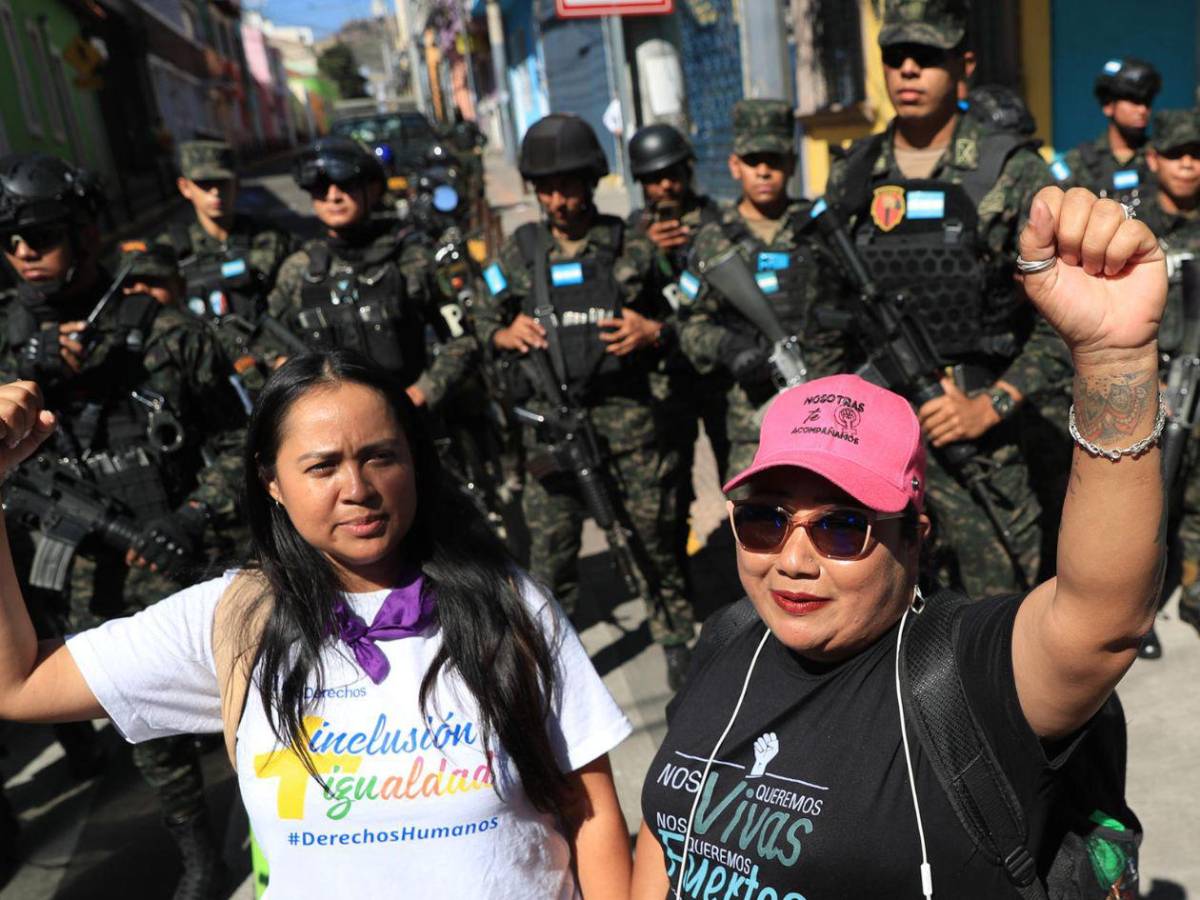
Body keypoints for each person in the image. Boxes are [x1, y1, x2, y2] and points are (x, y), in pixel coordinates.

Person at [631, 186, 1163, 900]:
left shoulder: (960, 679)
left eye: (842, 527)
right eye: (765, 519)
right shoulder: (727, 638)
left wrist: (1112, 361)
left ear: (914, 538)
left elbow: (1103, 617)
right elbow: (664, 839)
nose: (792, 559)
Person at [0, 350, 633, 898]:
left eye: (380, 456)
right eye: (322, 466)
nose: (357, 487)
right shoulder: (233, 618)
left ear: (415, 461)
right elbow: (18, 684)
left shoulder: (511, 605)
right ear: (271, 481)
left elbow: (593, 811)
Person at [0, 154, 247, 898]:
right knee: (144, 729)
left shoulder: (168, 334)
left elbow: (249, 443)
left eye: (39, 235)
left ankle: (278, 831)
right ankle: (198, 852)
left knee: (247, 709)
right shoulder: (6, 345)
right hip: (80, 569)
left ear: (86, 234)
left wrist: (196, 514)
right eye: (8, 239)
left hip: (180, 562)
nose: (21, 253)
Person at [824, 0, 1063, 597]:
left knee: (996, 619)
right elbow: (826, 315)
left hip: (984, 441)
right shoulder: (854, 173)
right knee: (885, 615)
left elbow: (1065, 318)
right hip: (877, 438)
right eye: (895, 57)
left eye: (926, 58)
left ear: (965, 65)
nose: (907, 70)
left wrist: (994, 405)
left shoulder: (1013, 171)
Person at [473, 113, 696, 688]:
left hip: (628, 426)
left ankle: (675, 640)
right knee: (551, 557)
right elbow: (475, 320)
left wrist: (654, 332)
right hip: (552, 432)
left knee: (653, 541)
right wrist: (503, 334)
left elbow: (687, 308)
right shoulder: (520, 253)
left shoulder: (632, 243)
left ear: (593, 178)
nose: (558, 198)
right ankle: (546, 665)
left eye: (569, 184)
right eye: (547, 187)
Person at [681, 99, 847, 478]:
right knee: (755, 524)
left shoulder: (819, 227)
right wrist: (728, 347)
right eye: (753, 161)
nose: (763, 172)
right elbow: (689, 325)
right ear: (734, 165)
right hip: (754, 421)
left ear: (791, 163)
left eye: (773, 160)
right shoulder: (714, 240)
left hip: (828, 410)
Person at [267, 137, 477, 414]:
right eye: (320, 187)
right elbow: (267, 341)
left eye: (346, 185)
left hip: (408, 420)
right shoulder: (298, 270)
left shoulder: (411, 259)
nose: (333, 195)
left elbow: (462, 338)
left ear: (374, 188)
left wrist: (422, 392)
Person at [626, 123, 730, 592]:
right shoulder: (632, 234)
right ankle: (684, 583)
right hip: (666, 380)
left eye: (672, 173)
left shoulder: (719, 221)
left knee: (741, 481)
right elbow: (616, 297)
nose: (665, 186)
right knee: (671, 488)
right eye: (653, 178)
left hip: (721, 375)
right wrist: (647, 253)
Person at [157, 140, 291, 399]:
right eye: (204, 185)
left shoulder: (269, 239)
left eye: (222, 183)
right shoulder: (169, 250)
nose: (215, 193)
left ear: (236, 184)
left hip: (269, 370)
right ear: (185, 187)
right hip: (204, 380)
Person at [1141, 108, 1200, 647]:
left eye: (1197, 154)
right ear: (1153, 158)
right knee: (1151, 503)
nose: (1189, 164)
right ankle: (1142, 607)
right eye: (1177, 153)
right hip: (1152, 385)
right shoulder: (1132, 227)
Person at [1051, 57, 1162, 214]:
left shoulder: (1162, 158)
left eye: (1147, 102)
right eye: (1133, 101)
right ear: (1108, 106)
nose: (1143, 110)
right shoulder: (1078, 162)